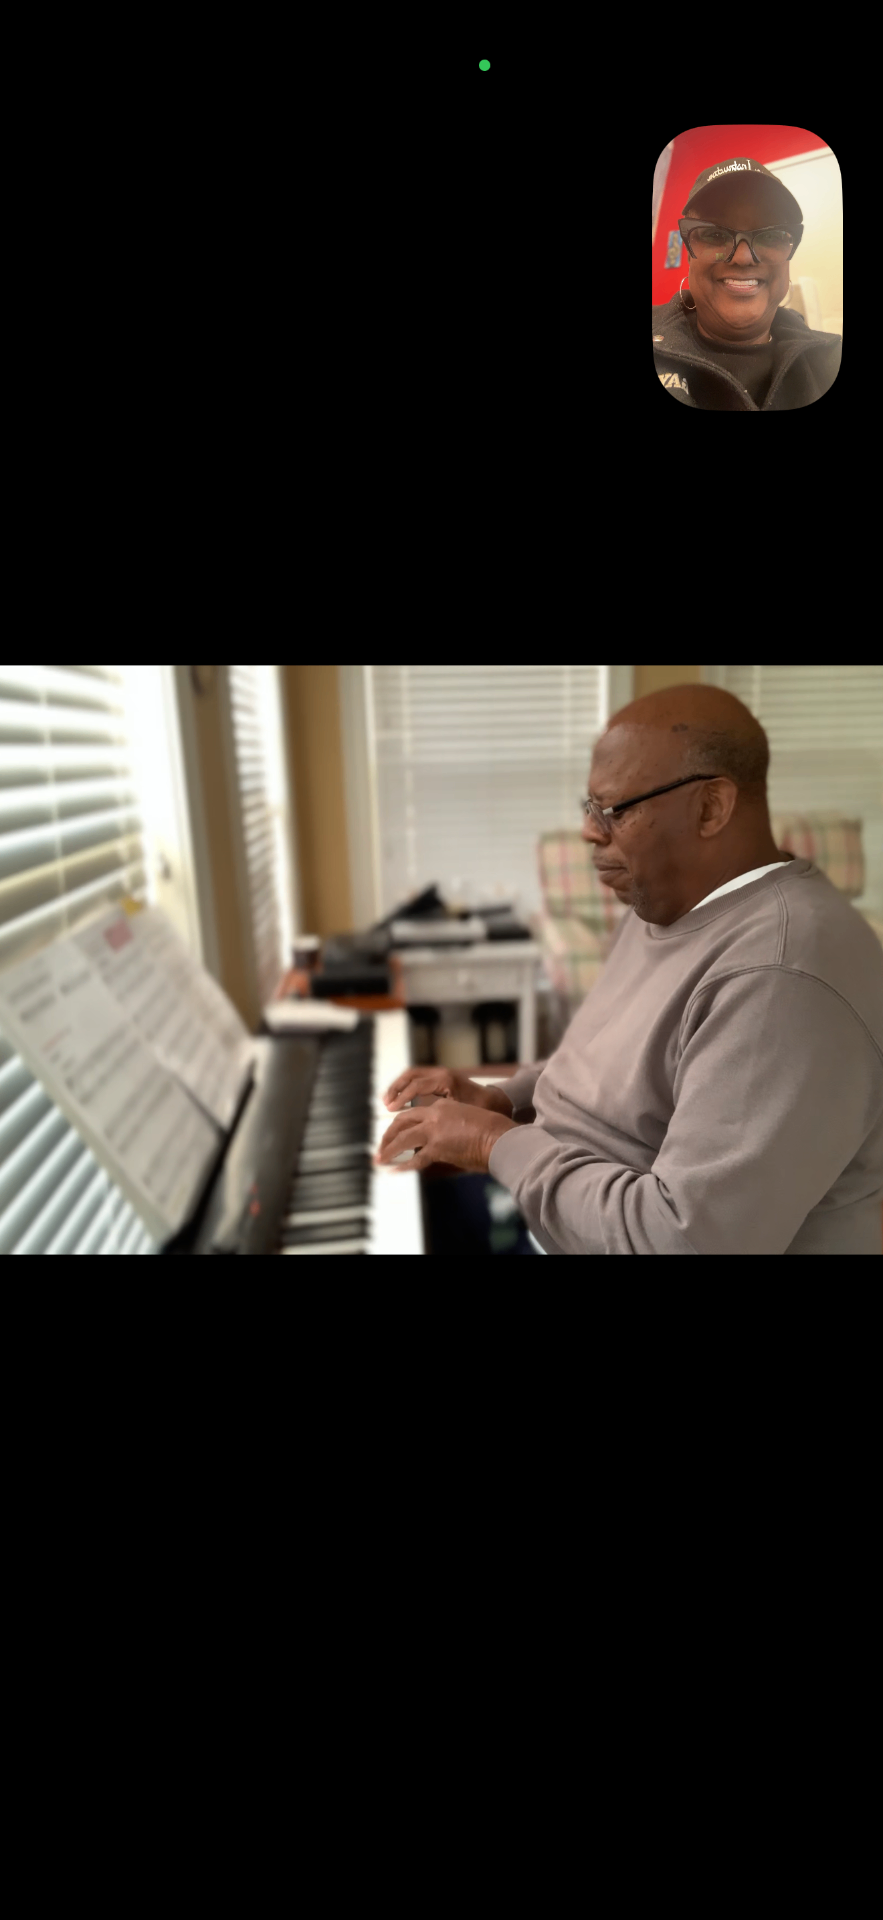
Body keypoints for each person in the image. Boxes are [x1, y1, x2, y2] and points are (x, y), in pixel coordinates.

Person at [376, 684, 883, 1255]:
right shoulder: (666, 902)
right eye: (588, 808)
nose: (591, 832)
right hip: (550, 1201)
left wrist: (495, 1144)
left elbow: (678, 1240)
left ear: (711, 807)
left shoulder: (781, 980)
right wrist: (505, 1101)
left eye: (615, 810)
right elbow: (612, 1060)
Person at [653, 156, 841, 410]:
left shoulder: (832, 359)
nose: (743, 258)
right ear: (688, 252)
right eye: (715, 234)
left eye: (770, 235)